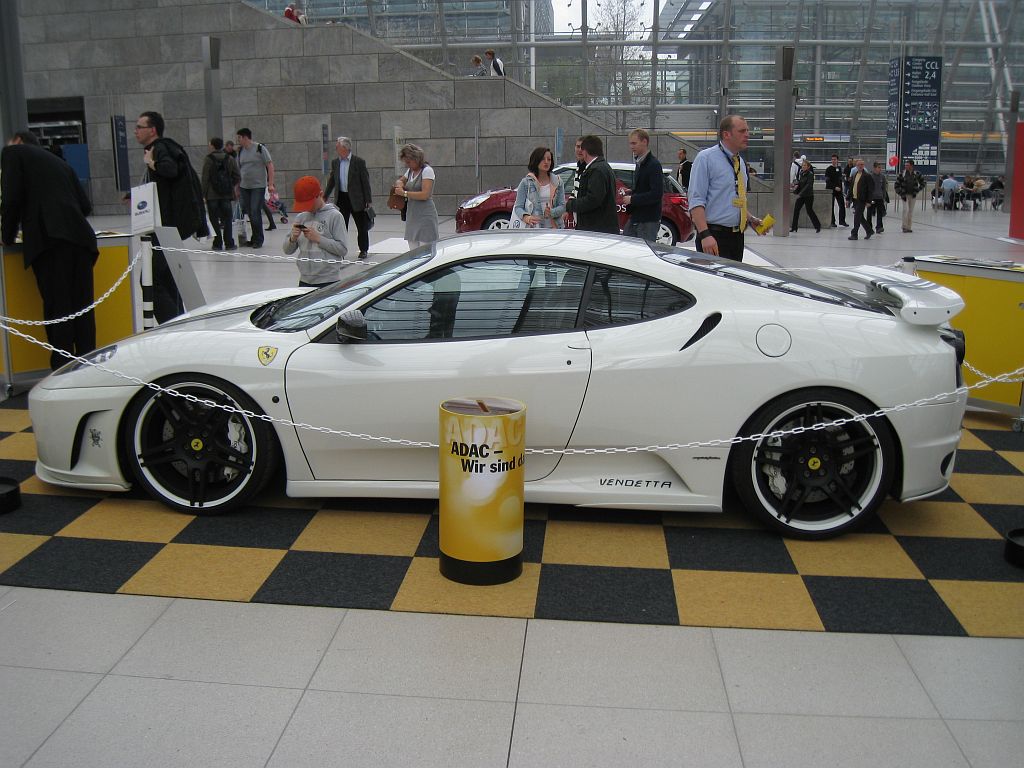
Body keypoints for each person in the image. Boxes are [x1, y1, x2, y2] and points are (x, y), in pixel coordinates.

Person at [1, 130, 99, 370]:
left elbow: (11, 198)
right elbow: (85, 206)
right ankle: (87, 363)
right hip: (81, 239)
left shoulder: (14, 152)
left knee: (58, 306)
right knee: (82, 307)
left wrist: (6, 236)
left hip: (50, 240)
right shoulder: (59, 162)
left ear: (18, 141)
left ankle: (62, 366)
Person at [135, 111, 209, 321]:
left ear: (152, 130)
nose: (135, 131)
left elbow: (170, 170)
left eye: (139, 127)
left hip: (164, 226)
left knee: (151, 280)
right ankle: (178, 322)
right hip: (167, 227)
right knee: (168, 279)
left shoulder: (160, 148)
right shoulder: (163, 147)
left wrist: (152, 163)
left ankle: (170, 324)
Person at [687, 114, 766, 261]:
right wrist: (705, 234)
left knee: (733, 276)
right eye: (742, 131)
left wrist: (750, 219)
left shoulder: (740, 162)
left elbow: (733, 198)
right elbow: (696, 200)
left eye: (747, 130)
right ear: (726, 134)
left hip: (737, 237)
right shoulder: (706, 158)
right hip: (713, 236)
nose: (747, 135)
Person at [283, 176, 347, 288]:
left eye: (309, 203)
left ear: (320, 195)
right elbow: (287, 250)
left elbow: (342, 249)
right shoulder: (301, 217)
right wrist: (292, 239)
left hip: (328, 280)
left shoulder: (334, 216)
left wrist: (319, 239)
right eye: (304, 204)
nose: (307, 208)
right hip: (305, 280)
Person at [324, 136, 373, 259]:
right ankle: (340, 250)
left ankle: (363, 249)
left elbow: (365, 182)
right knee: (341, 226)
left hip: (357, 199)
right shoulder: (335, 162)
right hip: (342, 198)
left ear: (345, 148)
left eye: (338, 147)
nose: (336, 149)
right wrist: (325, 196)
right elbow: (332, 181)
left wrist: (368, 200)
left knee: (361, 226)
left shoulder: (359, 162)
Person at [564, 135, 618, 234]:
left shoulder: (596, 170)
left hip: (596, 229)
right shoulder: (600, 167)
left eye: (581, 148)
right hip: (599, 227)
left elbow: (593, 199)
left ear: (585, 151)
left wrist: (570, 205)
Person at [235, 127, 275, 248]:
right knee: (250, 213)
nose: (238, 140)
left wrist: (270, 184)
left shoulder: (260, 148)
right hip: (244, 186)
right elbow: (239, 170)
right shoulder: (240, 151)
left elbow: (270, 165)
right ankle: (254, 238)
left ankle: (258, 239)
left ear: (245, 137)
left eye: (239, 138)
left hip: (258, 186)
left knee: (255, 211)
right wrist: (237, 187)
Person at [621, 128, 664, 242]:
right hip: (638, 217)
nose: (631, 147)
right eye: (630, 143)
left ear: (644, 142)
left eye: (634, 143)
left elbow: (656, 194)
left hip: (647, 219)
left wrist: (632, 199)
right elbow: (645, 188)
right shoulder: (640, 163)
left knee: (642, 248)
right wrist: (632, 192)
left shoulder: (653, 164)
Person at [394, 143, 439, 249]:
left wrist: (404, 193)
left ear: (416, 159)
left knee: (425, 250)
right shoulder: (410, 171)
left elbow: (425, 194)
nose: (407, 165)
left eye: (408, 162)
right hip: (412, 214)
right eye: (405, 162)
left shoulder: (427, 171)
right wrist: (399, 184)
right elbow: (400, 180)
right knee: (412, 248)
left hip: (425, 214)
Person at [200, 137, 240, 251]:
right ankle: (229, 243)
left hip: (212, 195)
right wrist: (229, 185)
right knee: (227, 219)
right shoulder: (229, 158)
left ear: (212, 146)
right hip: (226, 195)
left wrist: (203, 194)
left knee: (214, 219)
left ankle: (217, 243)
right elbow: (237, 175)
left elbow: (205, 178)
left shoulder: (208, 159)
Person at [512, 146, 566, 229]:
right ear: (536, 160)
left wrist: (552, 212)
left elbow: (562, 206)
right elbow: (518, 207)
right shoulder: (526, 182)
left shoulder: (558, 181)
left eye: (549, 159)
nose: (546, 162)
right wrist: (527, 217)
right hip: (534, 228)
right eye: (543, 159)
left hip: (555, 227)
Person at [790, 158, 821, 233]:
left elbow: (808, 185)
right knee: (796, 210)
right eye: (802, 165)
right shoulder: (801, 173)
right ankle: (794, 227)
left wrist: (800, 194)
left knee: (809, 211)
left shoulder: (810, 174)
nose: (803, 166)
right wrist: (796, 185)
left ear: (808, 167)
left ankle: (818, 226)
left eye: (805, 165)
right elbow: (801, 183)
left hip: (808, 196)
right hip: (801, 195)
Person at [847, 158, 874, 240]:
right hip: (855, 199)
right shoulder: (855, 175)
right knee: (860, 217)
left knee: (857, 217)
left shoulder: (867, 176)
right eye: (859, 165)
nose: (860, 166)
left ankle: (854, 234)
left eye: (862, 164)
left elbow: (870, 189)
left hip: (862, 200)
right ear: (856, 166)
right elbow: (852, 187)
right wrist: (848, 198)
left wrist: (869, 201)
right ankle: (869, 230)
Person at [894, 159, 924, 232]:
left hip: (913, 195)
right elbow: (896, 185)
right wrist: (900, 192)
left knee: (910, 211)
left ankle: (909, 227)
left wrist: (918, 189)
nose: (906, 166)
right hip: (904, 195)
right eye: (905, 165)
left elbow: (923, 183)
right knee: (905, 210)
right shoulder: (902, 174)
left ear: (911, 166)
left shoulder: (917, 174)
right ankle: (904, 226)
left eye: (907, 165)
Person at [824, 154, 847, 227]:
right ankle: (832, 221)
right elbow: (827, 181)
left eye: (835, 159)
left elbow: (840, 180)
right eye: (832, 159)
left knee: (842, 205)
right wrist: (834, 187)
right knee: (831, 206)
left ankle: (842, 221)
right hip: (831, 190)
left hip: (839, 190)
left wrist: (841, 188)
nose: (833, 161)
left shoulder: (839, 169)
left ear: (837, 160)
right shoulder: (828, 169)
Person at [869, 161, 888, 233]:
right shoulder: (870, 176)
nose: (880, 169)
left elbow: (884, 187)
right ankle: (869, 227)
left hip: (879, 197)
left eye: (880, 168)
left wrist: (884, 196)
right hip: (872, 197)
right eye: (878, 167)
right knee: (870, 213)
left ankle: (879, 227)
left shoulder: (882, 177)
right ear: (874, 168)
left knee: (880, 213)